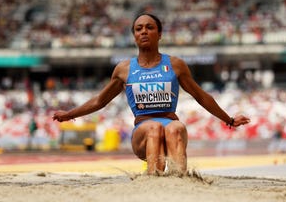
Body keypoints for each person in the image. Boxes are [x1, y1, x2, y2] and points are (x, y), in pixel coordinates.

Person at [52, 13, 251, 175]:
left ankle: (180, 182)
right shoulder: (124, 69)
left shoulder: (175, 65)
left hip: (171, 126)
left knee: (176, 127)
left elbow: (201, 96)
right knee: (154, 127)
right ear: (134, 36)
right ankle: (153, 180)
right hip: (143, 132)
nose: (144, 31)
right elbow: (99, 100)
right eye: (139, 29)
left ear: (160, 34)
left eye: (149, 27)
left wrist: (229, 120)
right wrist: (69, 115)